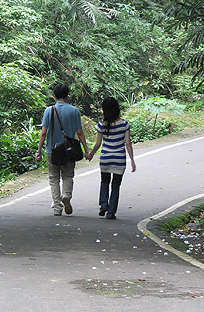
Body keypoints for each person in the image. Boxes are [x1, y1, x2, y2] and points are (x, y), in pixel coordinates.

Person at [35, 83, 90, 216]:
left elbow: (43, 133)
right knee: (68, 175)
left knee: (53, 178)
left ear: (54, 96)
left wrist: (38, 151)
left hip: (51, 150)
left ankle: (57, 207)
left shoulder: (49, 111)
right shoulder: (74, 111)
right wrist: (86, 150)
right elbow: (80, 132)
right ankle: (66, 195)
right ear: (67, 95)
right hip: (69, 150)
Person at [88, 96, 136, 219]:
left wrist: (91, 154)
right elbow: (128, 143)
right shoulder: (124, 124)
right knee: (115, 185)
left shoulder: (101, 125)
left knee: (104, 181)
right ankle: (111, 212)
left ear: (104, 110)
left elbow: (98, 144)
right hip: (119, 159)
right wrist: (132, 160)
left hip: (106, 158)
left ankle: (104, 204)